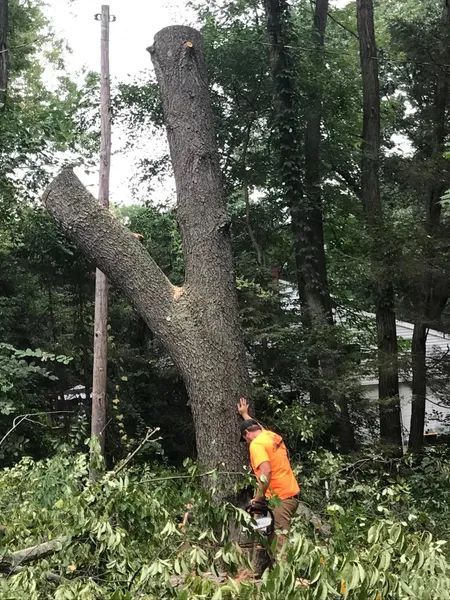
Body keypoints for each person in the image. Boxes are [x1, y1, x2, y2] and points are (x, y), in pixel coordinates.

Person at [237, 397, 300, 551]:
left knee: (280, 543)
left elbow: (266, 471)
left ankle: (285, 574)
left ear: (247, 434)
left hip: (280, 499)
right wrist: (245, 415)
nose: (246, 442)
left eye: (245, 439)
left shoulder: (256, 444)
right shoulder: (270, 436)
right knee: (273, 537)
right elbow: (257, 427)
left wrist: (258, 498)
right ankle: (275, 572)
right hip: (291, 495)